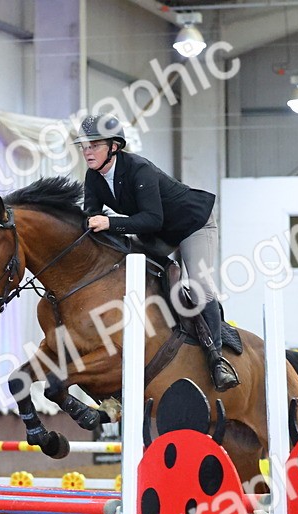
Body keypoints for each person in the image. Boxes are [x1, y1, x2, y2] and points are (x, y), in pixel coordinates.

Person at [73, 114, 238, 392]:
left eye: (94, 145)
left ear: (114, 146)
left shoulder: (139, 170)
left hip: (191, 224)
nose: (87, 152)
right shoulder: (94, 177)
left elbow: (152, 219)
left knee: (198, 284)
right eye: (84, 146)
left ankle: (217, 359)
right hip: (157, 233)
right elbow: (91, 217)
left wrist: (111, 222)